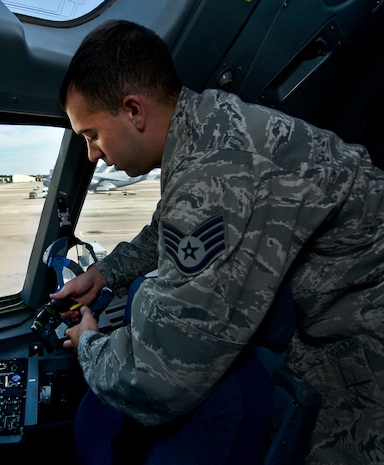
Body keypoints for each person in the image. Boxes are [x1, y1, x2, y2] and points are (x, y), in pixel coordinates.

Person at [52, 19, 384, 464]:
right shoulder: (202, 126)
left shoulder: (219, 171)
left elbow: (162, 377)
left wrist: (90, 343)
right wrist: (105, 273)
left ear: (133, 111)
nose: (92, 153)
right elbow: (169, 231)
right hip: (328, 311)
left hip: (363, 328)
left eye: (91, 134)